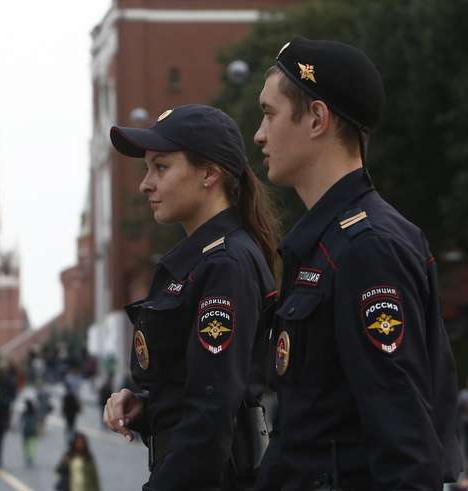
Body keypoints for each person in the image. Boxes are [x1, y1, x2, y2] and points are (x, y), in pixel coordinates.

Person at [251, 37, 462, 490]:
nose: (259, 134)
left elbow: (405, 442)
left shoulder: (367, 248)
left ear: (316, 119)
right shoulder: (324, 243)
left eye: (269, 114)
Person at [104, 104, 279, 490]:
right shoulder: (199, 261)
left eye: (161, 167)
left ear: (209, 173)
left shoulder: (226, 264)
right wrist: (146, 408)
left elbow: (213, 412)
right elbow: (195, 390)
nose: (145, 184)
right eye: (148, 168)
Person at [20, 399, 39, 467]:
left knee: (26, 444)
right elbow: (37, 421)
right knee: (32, 443)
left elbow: (21, 421)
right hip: (33, 430)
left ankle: (27, 455)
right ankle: (31, 456)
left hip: (26, 430)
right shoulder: (34, 412)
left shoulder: (24, 412)